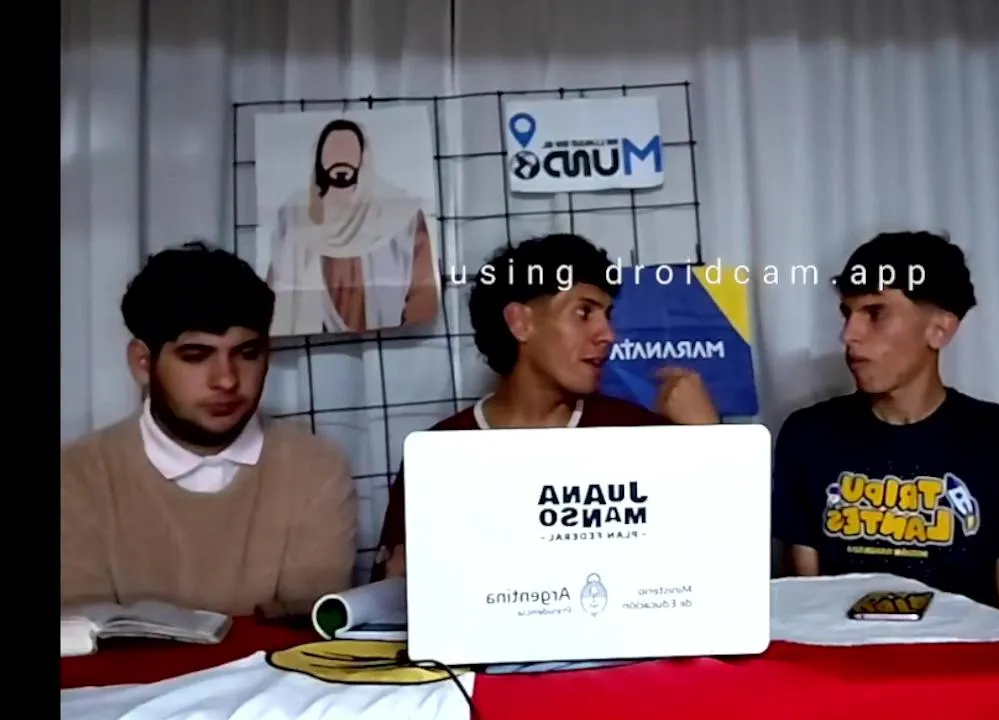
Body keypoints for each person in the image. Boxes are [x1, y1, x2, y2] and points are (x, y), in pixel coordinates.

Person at [372, 233, 720, 581]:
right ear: (520, 322)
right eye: (584, 312)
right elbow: (392, 589)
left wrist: (711, 442)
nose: (608, 335)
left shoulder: (638, 434)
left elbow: (714, 558)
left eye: (607, 316)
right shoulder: (438, 455)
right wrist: (400, 583)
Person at [771, 231, 999, 621]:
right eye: (847, 313)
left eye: (875, 313)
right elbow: (803, 606)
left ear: (939, 329)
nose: (848, 335)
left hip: (963, 658)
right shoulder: (807, 436)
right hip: (843, 657)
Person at [61, 242, 358, 617]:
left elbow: (305, 630)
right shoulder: (77, 476)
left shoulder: (315, 468)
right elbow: (85, 635)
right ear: (142, 363)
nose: (227, 380)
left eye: (247, 354)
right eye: (196, 356)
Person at [266, 117, 439, 336]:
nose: (340, 161)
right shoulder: (294, 216)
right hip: (315, 347)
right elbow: (274, 294)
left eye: (347, 150)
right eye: (333, 151)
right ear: (320, 158)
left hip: (393, 344)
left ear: (363, 157)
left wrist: (400, 340)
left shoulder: (402, 215)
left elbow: (424, 296)